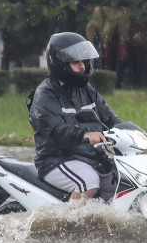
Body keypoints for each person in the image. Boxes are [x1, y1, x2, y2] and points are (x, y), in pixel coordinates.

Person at [28, 32, 122, 200]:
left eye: (83, 61)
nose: (82, 67)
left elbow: (109, 117)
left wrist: (128, 131)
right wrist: (84, 135)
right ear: (60, 63)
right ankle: (71, 225)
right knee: (88, 184)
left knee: (121, 181)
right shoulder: (45, 93)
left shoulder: (87, 89)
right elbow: (55, 130)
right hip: (56, 160)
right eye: (75, 62)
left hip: (90, 157)